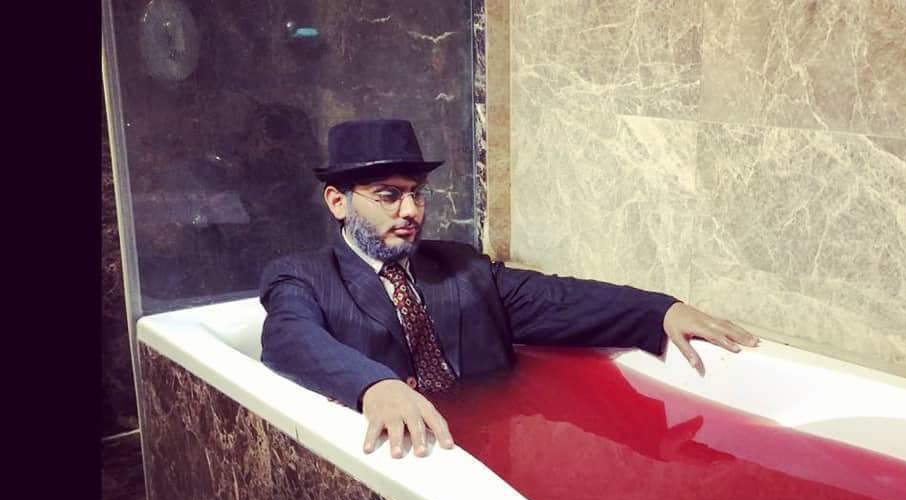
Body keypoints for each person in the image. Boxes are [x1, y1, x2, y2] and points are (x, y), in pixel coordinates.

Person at [259, 119, 760, 460]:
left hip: (494, 443)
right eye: (389, 196)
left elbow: (556, 299)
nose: (410, 211)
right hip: (404, 463)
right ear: (338, 202)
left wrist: (661, 311)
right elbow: (288, 339)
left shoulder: (460, 267)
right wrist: (373, 385)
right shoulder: (303, 277)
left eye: (415, 194)